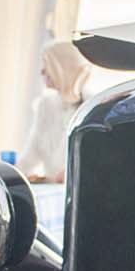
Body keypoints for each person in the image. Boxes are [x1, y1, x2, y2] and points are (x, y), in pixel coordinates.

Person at [17, 38, 91, 184]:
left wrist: (71, 173)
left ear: (63, 67)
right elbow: (32, 153)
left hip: (80, 189)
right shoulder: (45, 105)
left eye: (47, 64)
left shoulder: (91, 106)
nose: (42, 71)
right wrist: (12, 174)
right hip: (52, 190)